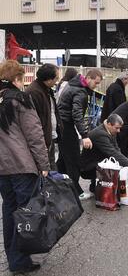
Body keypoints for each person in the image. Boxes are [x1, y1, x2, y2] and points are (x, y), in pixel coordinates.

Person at [0, 60, 49, 274]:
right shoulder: (20, 99)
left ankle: (14, 258)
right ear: (16, 79)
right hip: (21, 166)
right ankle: (20, 261)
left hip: (2, 169)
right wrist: (43, 164)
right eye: (21, 79)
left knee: (9, 212)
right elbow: (34, 135)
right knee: (25, 213)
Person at [57, 69, 103, 200]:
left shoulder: (73, 85)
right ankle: (76, 191)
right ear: (88, 78)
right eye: (96, 82)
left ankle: (58, 187)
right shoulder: (80, 91)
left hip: (62, 125)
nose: (96, 86)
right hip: (67, 127)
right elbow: (76, 114)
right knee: (73, 160)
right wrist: (84, 135)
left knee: (62, 160)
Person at [80, 114, 128, 193]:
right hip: (87, 167)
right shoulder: (100, 134)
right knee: (112, 163)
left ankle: (96, 186)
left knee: (116, 163)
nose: (118, 131)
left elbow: (116, 149)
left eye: (119, 128)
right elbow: (113, 153)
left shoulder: (109, 130)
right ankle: (99, 188)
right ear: (109, 124)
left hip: (97, 161)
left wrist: (125, 164)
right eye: (117, 128)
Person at [25, 63, 61, 170]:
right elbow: (34, 121)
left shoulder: (46, 89)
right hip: (42, 141)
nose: (57, 81)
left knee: (52, 168)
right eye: (56, 78)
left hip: (48, 137)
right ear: (49, 79)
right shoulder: (35, 92)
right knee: (47, 171)